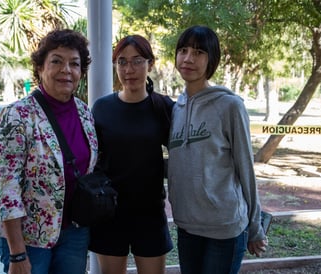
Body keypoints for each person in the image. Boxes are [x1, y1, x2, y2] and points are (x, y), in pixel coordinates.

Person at [0, 29, 98, 274]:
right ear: (40, 68)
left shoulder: (85, 113)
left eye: (75, 63)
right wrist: (17, 253)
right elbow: (6, 188)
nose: (66, 70)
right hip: (30, 241)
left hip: (75, 233)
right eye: (57, 61)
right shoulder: (17, 116)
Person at [167, 25, 268, 274]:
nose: (189, 58)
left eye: (199, 52)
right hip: (187, 226)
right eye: (183, 50)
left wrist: (255, 226)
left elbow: (246, 167)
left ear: (211, 60)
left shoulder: (229, 106)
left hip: (224, 228)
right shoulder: (176, 108)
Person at [89, 35, 174, 274]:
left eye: (137, 61)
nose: (129, 69)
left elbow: (185, 153)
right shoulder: (102, 107)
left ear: (150, 64)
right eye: (122, 62)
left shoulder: (164, 107)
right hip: (109, 212)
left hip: (149, 213)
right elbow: (91, 158)